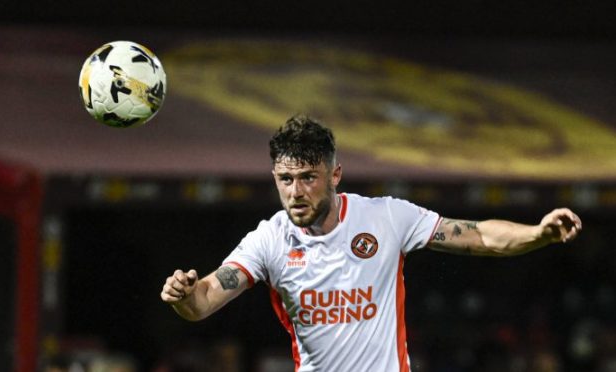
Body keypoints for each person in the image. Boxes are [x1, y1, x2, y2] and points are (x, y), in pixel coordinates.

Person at [161, 115, 582, 372]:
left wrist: (538, 233)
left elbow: (479, 235)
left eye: (308, 177)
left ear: (335, 174)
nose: (295, 192)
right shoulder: (270, 239)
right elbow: (203, 301)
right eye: (285, 180)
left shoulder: (384, 217)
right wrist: (183, 294)